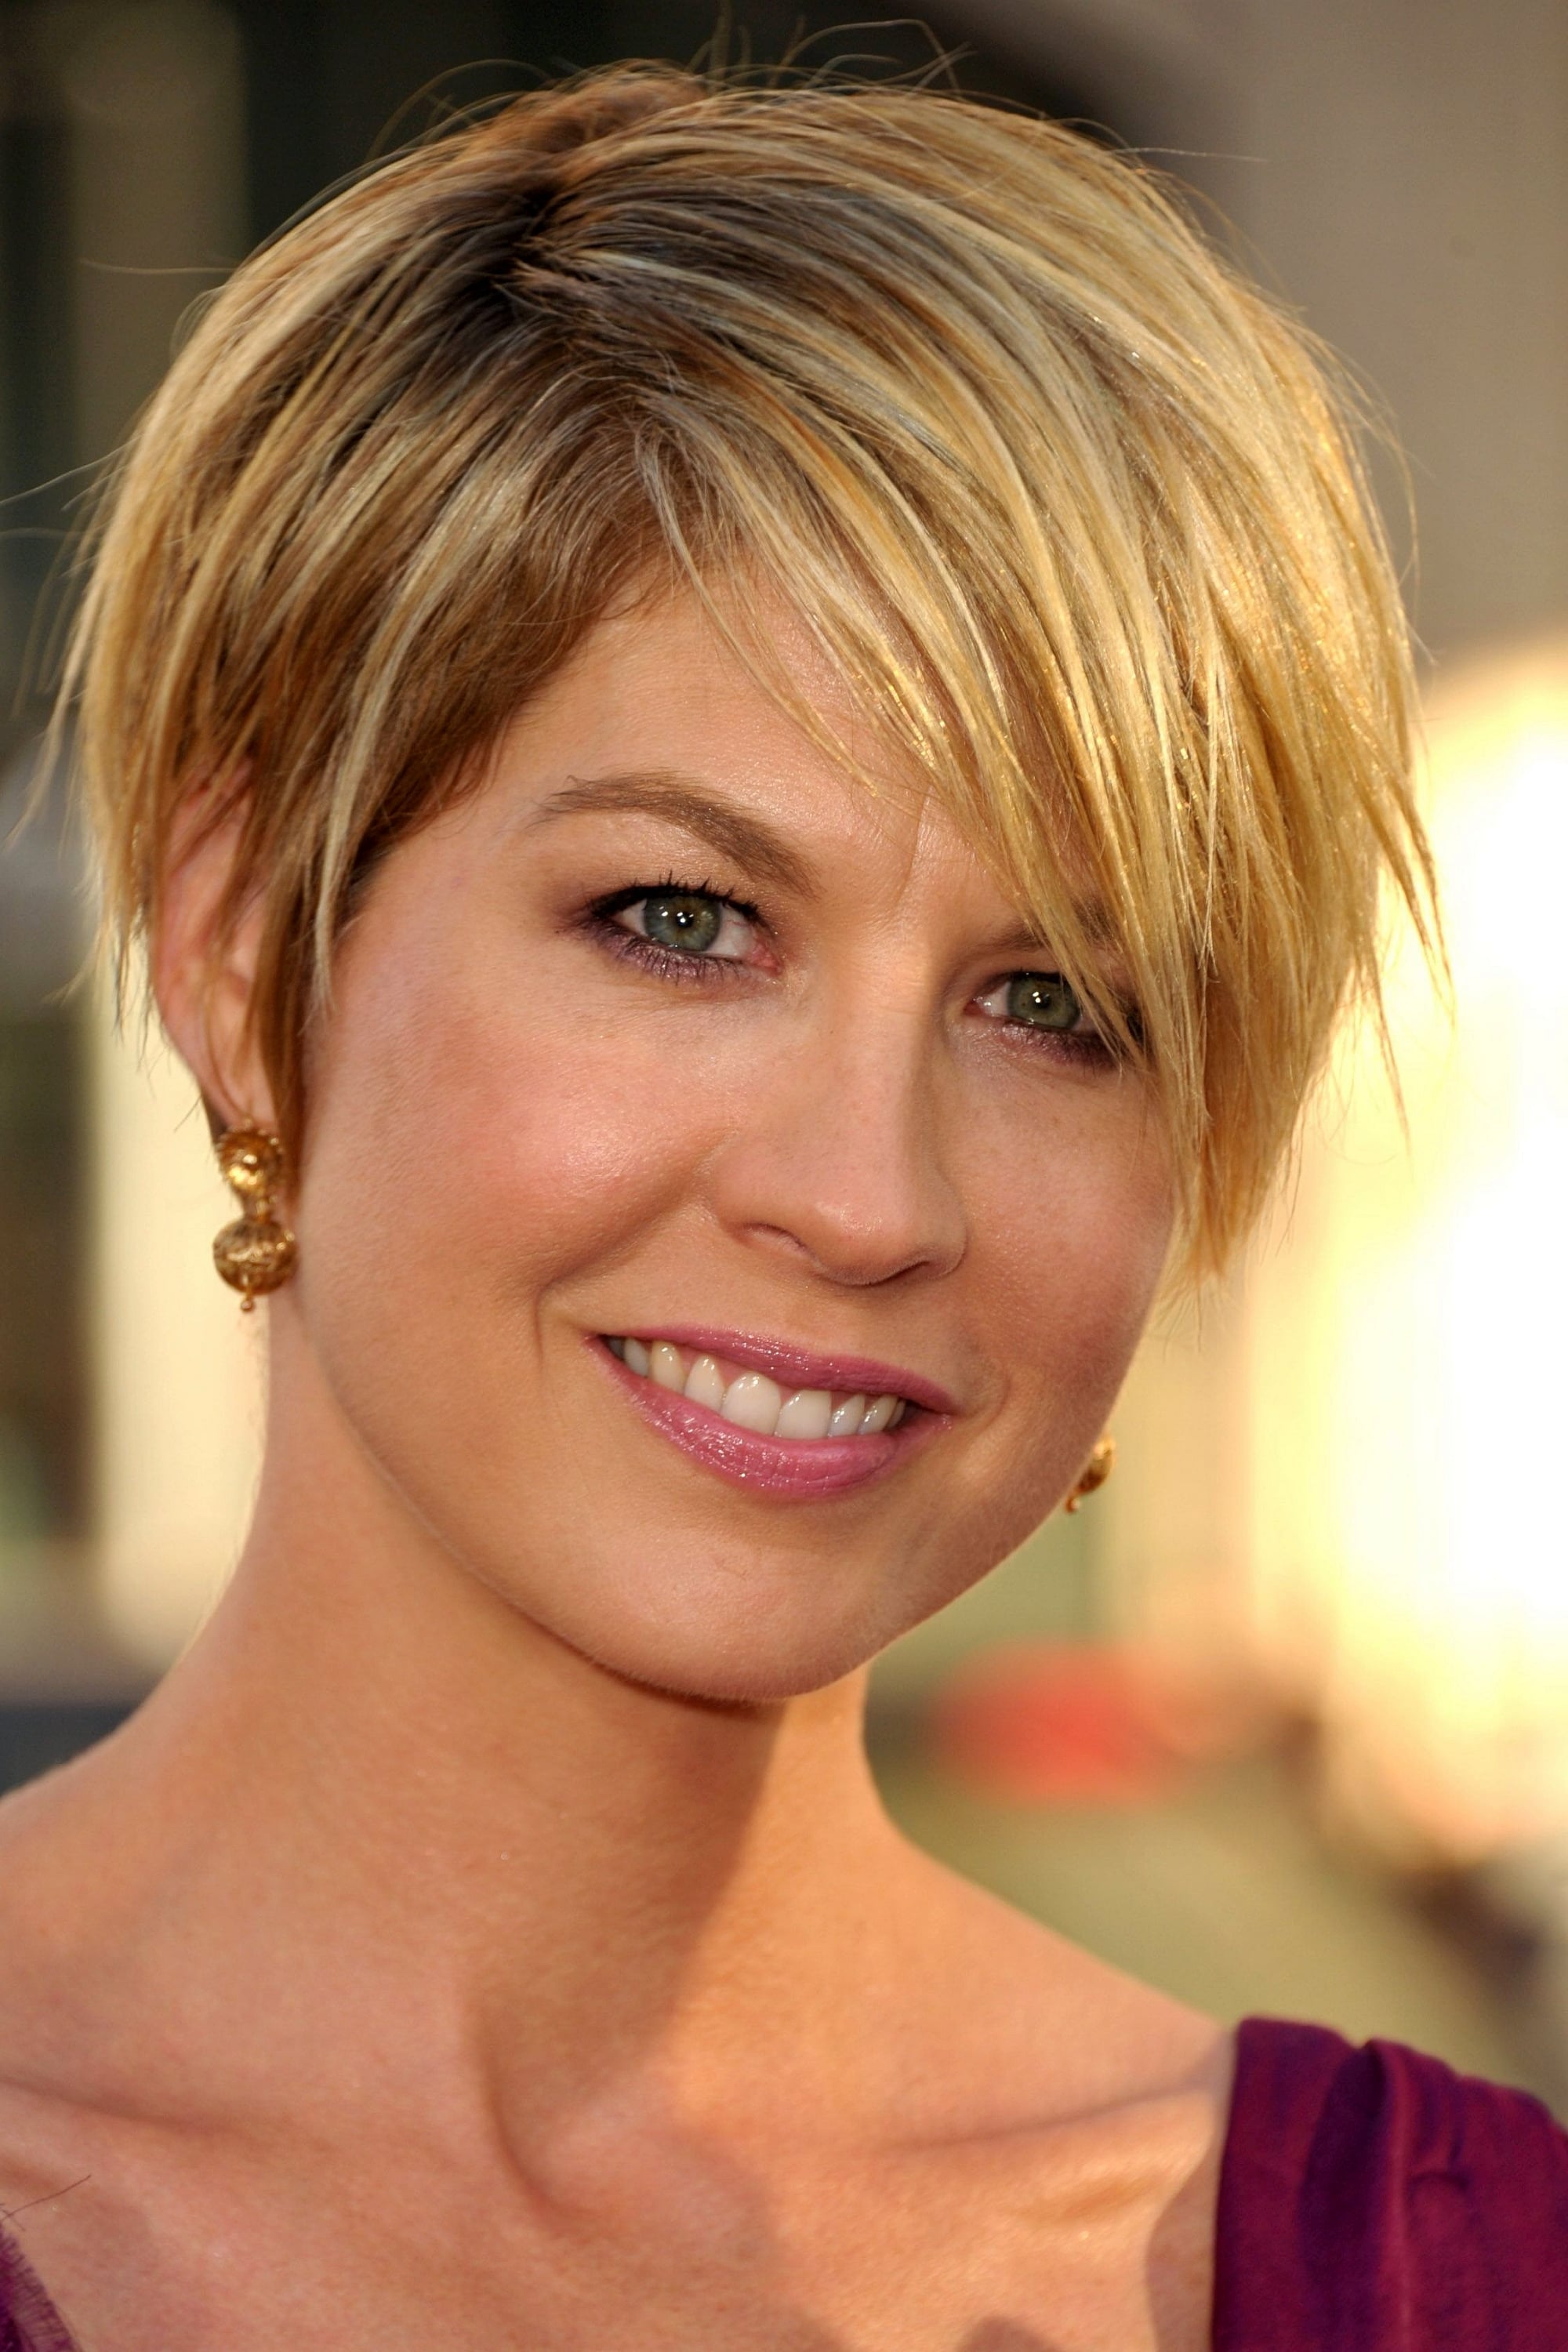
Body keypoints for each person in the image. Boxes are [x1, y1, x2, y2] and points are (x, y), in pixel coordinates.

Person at [0, 63, 1561, 2351]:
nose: (867, 1198)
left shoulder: (1458, 2279)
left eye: (1060, 1007)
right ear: (243, 947)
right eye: (681, 921)